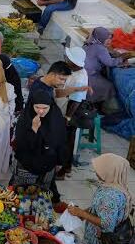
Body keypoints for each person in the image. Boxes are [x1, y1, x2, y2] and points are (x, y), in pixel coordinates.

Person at [67, 154, 134, 244]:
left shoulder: (110, 196)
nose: (96, 171)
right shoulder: (112, 185)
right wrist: (83, 212)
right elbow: (98, 207)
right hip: (98, 242)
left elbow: (106, 224)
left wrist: (82, 214)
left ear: (110, 172)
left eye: (101, 169)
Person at [11, 89, 67, 190]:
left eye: (45, 108)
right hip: (27, 164)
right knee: (21, 194)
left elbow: (61, 141)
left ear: (51, 106)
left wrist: (60, 161)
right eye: (37, 107)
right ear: (32, 105)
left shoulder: (56, 117)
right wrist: (33, 129)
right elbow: (21, 144)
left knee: (43, 194)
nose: (41, 111)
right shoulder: (25, 118)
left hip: (48, 164)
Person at [55, 47, 90, 179]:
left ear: (74, 63)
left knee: (67, 142)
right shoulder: (75, 71)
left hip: (72, 112)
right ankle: (65, 166)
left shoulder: (80, 78)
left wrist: (67, 117)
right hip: (68, 107)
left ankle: (64, 169)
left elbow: (75, 101)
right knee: (67, 140)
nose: (66, 60)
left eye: (68, 59)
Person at [83, 27, 122, 109]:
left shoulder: (90, 42)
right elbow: (110, 63)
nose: (109, 41)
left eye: (110, 39)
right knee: (109, 86)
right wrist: (121, 58)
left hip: (83, 73)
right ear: (101, 38)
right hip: (90, 77)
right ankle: (105, 108)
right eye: (107, 39)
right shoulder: (100, 48)